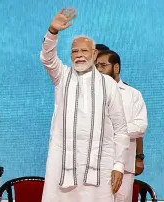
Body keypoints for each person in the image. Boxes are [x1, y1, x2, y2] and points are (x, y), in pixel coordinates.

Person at [40, 8, 130, 202]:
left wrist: (118, 166)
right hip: (62, 165)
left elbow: (121, 130)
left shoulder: (108, 85)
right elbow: (47, 59)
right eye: (74, 51)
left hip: (100, 167)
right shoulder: (62, 77)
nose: (79, 55)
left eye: (83, 50)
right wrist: (52, 32)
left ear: (95, 53)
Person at [96, 50, 148, 202]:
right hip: (96, 166)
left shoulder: (132, 94)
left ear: (116, 68)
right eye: (96, 66)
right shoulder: (90, 94)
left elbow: (141, 126)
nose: (99, 70)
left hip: (124, 165)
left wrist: (113, 130)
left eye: (103, 65)